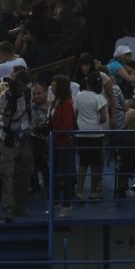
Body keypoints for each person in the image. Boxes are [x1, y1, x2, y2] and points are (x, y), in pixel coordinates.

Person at [0, 68, 35, 220]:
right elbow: (2, 118)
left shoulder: (27, 93)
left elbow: (29, 112)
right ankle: (8, 207)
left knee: (26, 171)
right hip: (9, 138)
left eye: (24, 85)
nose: (22, 88)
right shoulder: (6, 96)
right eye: (20, 85)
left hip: (24, 137)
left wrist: (28, 129)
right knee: (8, 174)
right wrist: (10, 110)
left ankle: (20, 203)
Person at [72, 72, 109, 203]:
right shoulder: (99, 98)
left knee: (82, 163)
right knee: (94, 164)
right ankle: (93, 193)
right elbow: (103, 118)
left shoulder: (78, 96)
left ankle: (80, 193)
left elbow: (75, 113)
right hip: (96, 134)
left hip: (81, 134)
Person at [47, 74, 76, 206]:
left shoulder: (67, 103)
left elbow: (67, 125)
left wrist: (54, 134)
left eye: (54, 85)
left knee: (64, 173)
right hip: (55, 142)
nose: (51, 87)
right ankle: (56, 200)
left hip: (63, 143)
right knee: (55, 172)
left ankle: (66, 203)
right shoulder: (56, 101)